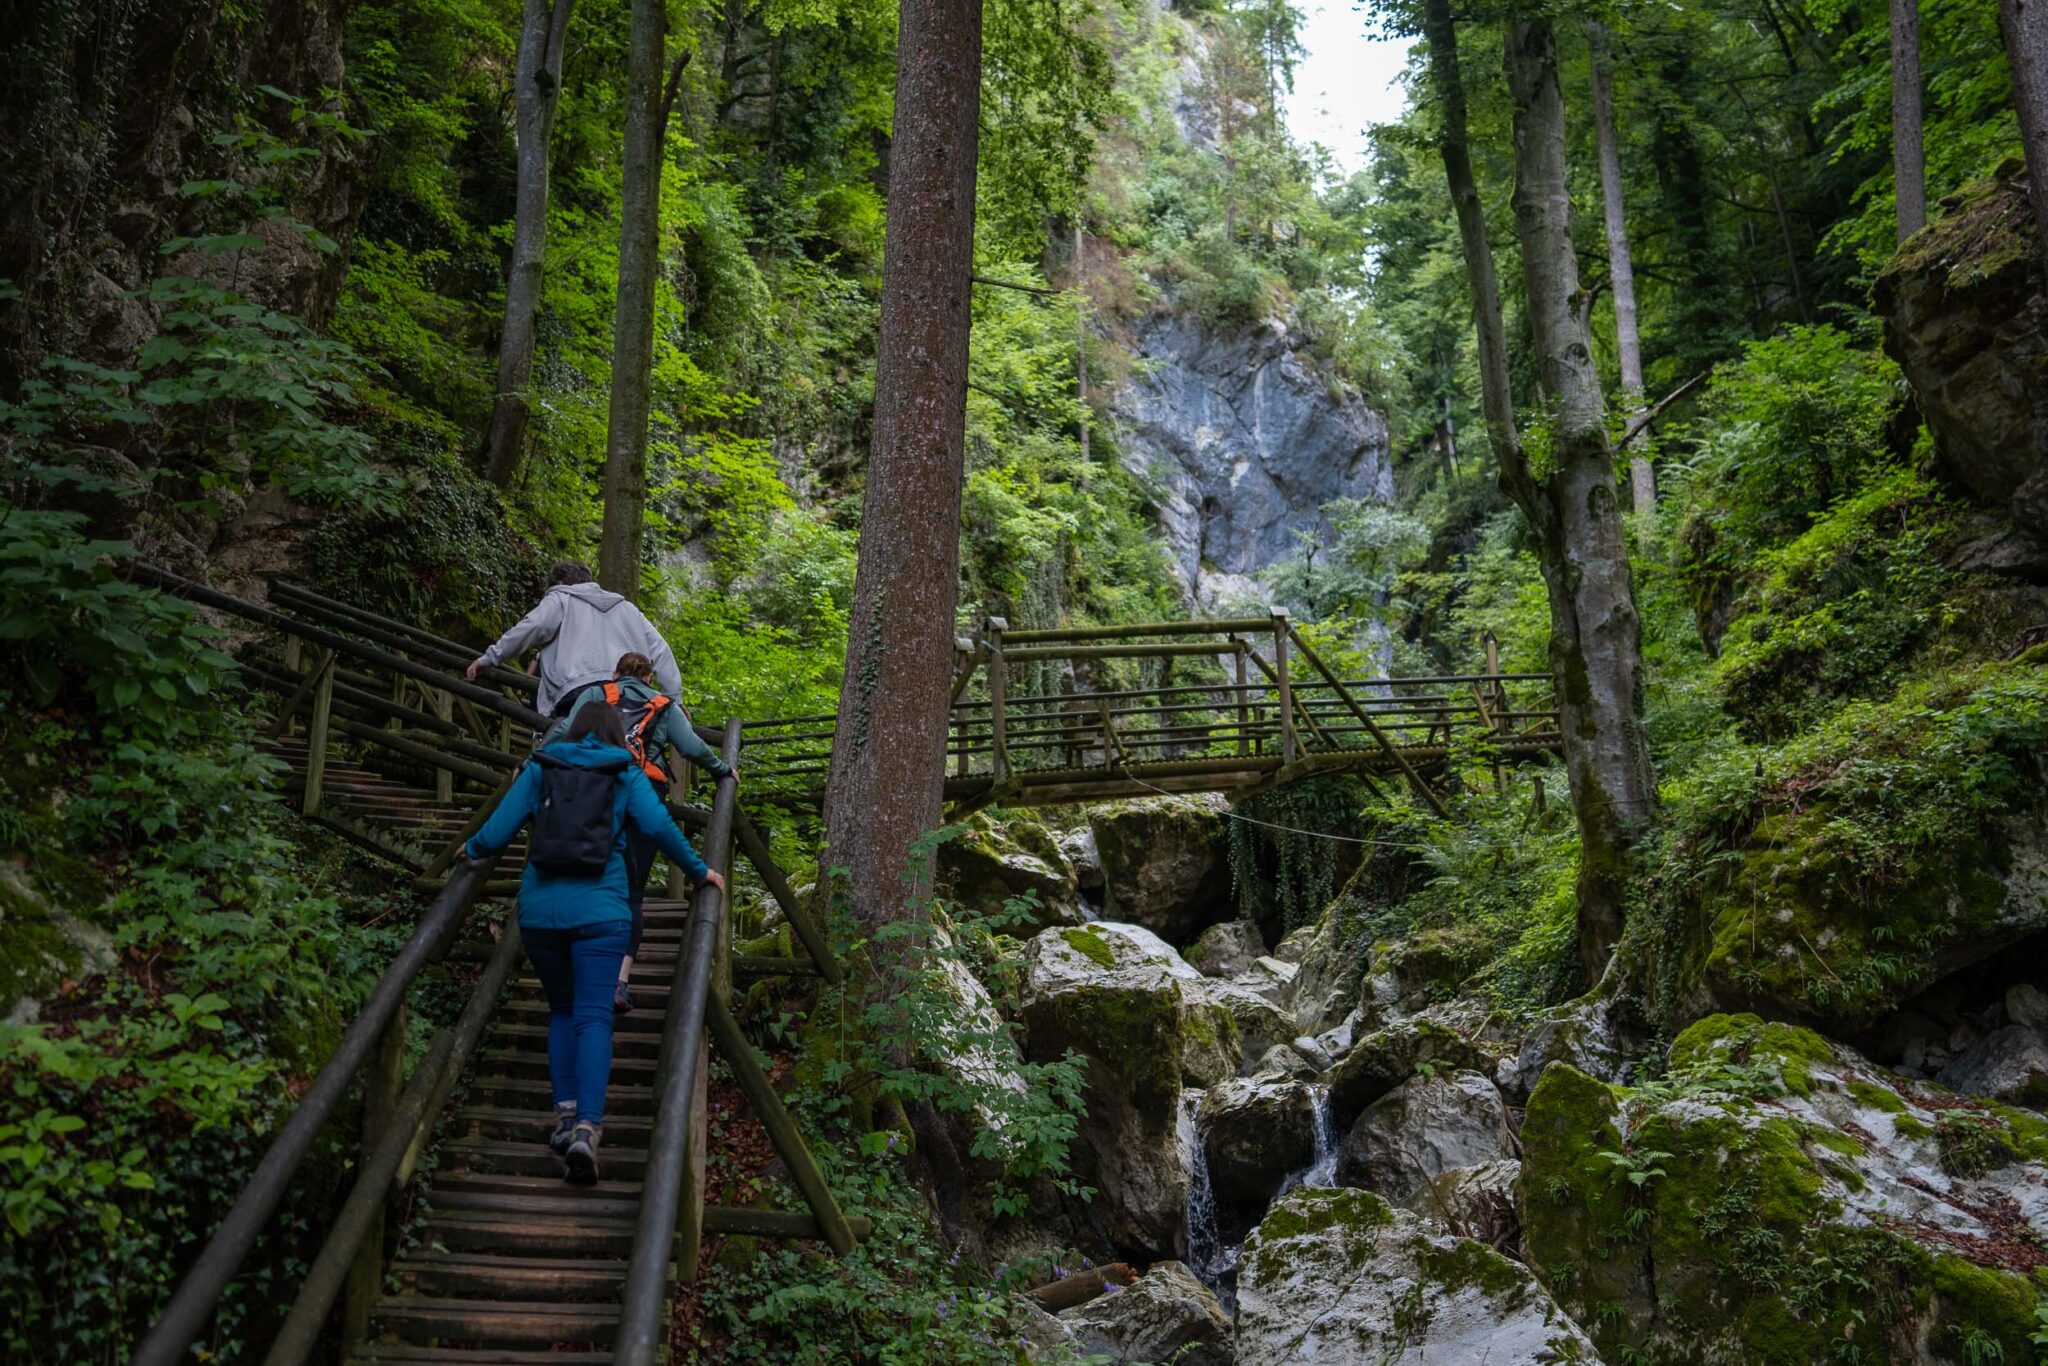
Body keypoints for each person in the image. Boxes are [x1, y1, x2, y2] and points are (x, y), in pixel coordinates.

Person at [464, 702, 726, 1183]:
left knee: (562, 1009)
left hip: (540, 913)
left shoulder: (544, 767)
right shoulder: (624, 771)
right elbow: (658, 826)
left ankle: (564, 1115)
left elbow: (500, 826)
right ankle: (588, 1127)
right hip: (603, 914)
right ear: (616, 736)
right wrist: (699, 871)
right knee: (593, 1015)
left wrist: (474, 847)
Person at [544, 652, 738, 1012]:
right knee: (631, 889)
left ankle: (579, 972)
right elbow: (690, 745)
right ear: (649, 677)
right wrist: (722, 769)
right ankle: (619, 981)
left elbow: (563, 729)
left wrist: (532, 762)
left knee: (587, 875)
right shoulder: (662, 704)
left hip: (593, 792)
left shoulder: (598, 693)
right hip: (644, 791)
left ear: (616, 673)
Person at [466, 562, 682, 720]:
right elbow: (660, 651)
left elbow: (532, 627)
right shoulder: (628, 609)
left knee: (569, 759)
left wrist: (489, 658)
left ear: (559, 583)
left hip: (577, 692)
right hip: (631, 695)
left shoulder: (561, 598)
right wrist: (675, 699)